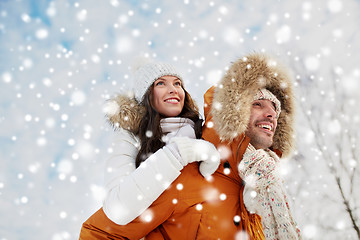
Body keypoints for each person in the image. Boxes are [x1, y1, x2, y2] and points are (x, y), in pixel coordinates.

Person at [79, 58, 262, 239]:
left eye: (178, 83)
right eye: (161, 83)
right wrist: (180, 152)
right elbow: (118, 209)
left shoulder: (205, 132)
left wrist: (249, 191)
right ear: (146, 97)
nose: (173, 89)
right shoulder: (131, 139)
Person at [201, 52, 302, 239]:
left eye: (275, 109)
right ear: (235, 112)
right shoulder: (202, 172)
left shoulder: (268, 178)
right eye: (258, 104)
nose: (272, 114)